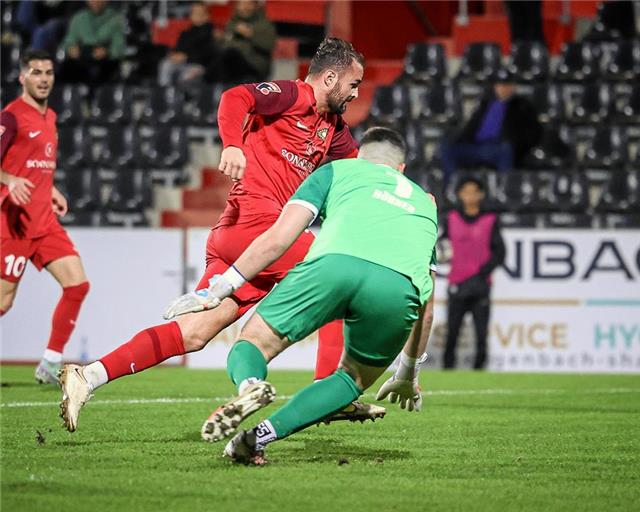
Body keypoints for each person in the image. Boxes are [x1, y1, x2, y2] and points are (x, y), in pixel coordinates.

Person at [57, 37, 381, 435]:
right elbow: (234, 98)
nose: (356, 92)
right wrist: (233, 146)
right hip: (254, 223)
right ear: (330, 77)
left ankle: (87, 377)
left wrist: (401, 191)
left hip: (238, 237)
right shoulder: (291, 95)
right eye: (353, 83)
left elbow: (363, 175)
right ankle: (328, 392)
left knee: (195, 333)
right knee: (338, 274)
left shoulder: (332, 128)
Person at [157, 127, 437, 465]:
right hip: (397, 288)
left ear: (359, 157)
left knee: (253, 343)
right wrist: (408, 374)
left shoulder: (337, 170)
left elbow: (279, 237)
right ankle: (257, 437)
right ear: (401, 168)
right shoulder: (426, 203)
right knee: (349, 381)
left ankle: (250, 386)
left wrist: (220, 288)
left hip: (333, 266)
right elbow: (428, 304)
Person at [0, 49, 90, 384]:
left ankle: (50, 364)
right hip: (14, 223)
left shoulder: (49, 117)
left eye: (48, 73)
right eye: (36, 72)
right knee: (4, 302)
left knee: (77, 285)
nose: (43, 79)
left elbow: (37, 163)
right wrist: (9, 180)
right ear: (22, 77)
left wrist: (49, 189)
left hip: (44, 221)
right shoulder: (11, 116)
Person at [441, 177, 505, 370]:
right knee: (452, 332)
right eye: (465, 192)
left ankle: (479, 369)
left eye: (474, 192)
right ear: (459, 194)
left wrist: (482, 272)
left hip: (480, 284)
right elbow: (443, 245)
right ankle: (448, 368)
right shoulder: (451, 218)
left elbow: (500, 252)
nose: (469, 196)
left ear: (481, 195)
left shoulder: (490, 220)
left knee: (481, 332)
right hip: (457, 283)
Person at [439, 69, 541, 182]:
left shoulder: (522, 106)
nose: (502, 88)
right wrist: (460, 139)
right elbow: (470, 128)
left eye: (506, 85)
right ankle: (453, 187)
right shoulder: (485, 104)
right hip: (476, 147)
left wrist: (514, 144)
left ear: (513, 86)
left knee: (505, 150)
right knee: (448, 147)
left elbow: (533, 133)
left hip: (500, 149)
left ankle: (505, 189)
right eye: (500, 85)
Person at [206, 0, 276, 84]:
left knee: (230, 54)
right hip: (229, 66)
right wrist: (219, 39)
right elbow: (224, 44)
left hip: (253, 66)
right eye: (241, 4)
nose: (245, 7)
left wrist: (251, 35)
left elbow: (269, 45)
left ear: (255, 6)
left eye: (248, 4)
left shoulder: (264, 24)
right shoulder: (232, 23)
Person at [57, 0, 125, 85]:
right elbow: (67, 43)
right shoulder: (78, 18)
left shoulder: (116, 20)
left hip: (105, 64)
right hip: (80, 62)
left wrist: (107, 52)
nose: (95, 2)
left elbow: (119, 47)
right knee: (64, 69)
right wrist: (70, 49)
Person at [157, 2, 216, 87]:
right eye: (194, 12)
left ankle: (183, 97)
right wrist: (173, 55)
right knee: (165, 64)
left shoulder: (211, 33)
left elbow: (208, 54)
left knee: (186, 76)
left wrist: (186, 57)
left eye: (200, 12)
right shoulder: (186, 33)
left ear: (207, 15)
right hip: (182, 64)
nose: (197, 15)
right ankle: (165, 93)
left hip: (200, 66)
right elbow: (177, 48)